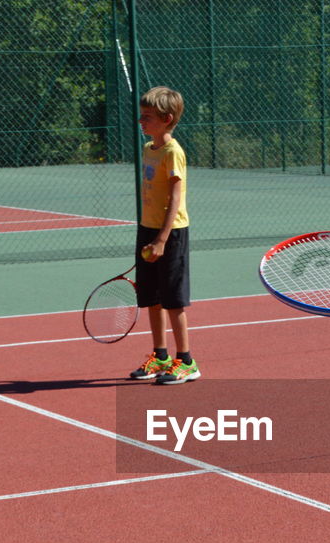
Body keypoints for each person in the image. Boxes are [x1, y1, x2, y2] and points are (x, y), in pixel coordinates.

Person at [128, 86, 198, 385]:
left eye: (147, 117)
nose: (141, 121)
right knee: (151, 297)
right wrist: (150, 233)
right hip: (148, 229)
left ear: (166, 119)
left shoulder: (173, 152)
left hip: (171, 234)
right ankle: (160, 356)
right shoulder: (148, 148)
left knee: (173, 299)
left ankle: (186, 362)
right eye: (141, 115)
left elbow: (175, 199)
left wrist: (162, 239)